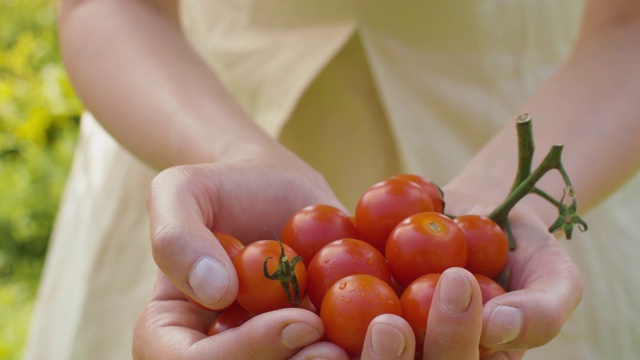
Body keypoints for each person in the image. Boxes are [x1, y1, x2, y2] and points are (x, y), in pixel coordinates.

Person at [24, 0, 640, 359]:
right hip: (188, 121)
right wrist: (234, 156)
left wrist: (499, 207)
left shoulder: (479, 242)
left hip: (569, 123)